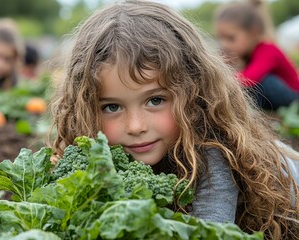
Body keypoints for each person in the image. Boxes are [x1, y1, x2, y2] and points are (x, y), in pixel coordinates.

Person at [49, 1, 299, 239]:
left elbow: (210, 232)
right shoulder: (97, 156)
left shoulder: (215, 153)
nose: (136, 126)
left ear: (192, 94)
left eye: (155, 100)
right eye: (112, 107)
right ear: (85, 109)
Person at [214, 0, 299, 110]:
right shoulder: (246, 54)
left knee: (266, 82)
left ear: (253, 33)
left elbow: (249, 79)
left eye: (230, 38)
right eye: (220, 38)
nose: (224, 44)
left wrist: (219, 80)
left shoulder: (268, 50)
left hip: (293, 97)